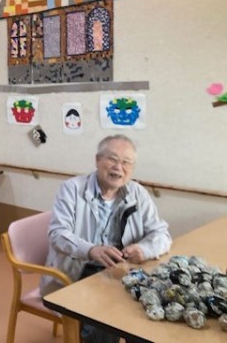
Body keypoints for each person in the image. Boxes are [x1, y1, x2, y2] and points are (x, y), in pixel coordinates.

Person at [40, 134, 171, 343]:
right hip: (79, 271)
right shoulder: (72, 188)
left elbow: (161, 234)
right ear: (97, 160)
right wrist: (91, 250)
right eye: (113, 159)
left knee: (149, 314)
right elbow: (57, 233)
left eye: (126, 162)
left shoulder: (137, 193)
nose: (119, 167)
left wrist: (143, 249)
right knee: (106, 320)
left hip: (122, 270)